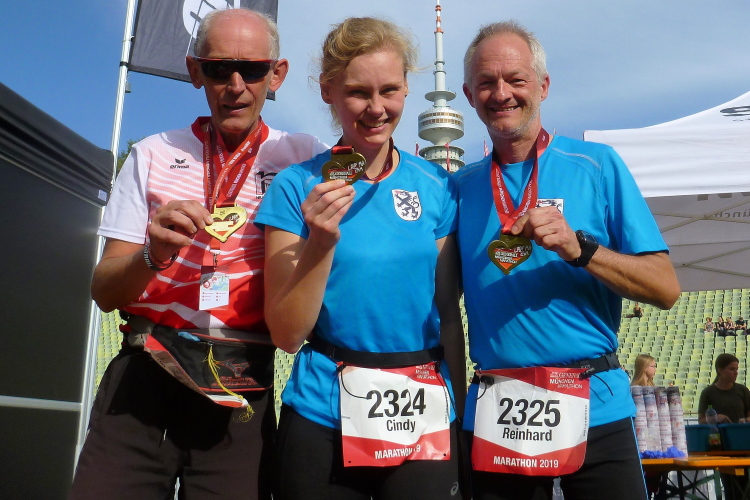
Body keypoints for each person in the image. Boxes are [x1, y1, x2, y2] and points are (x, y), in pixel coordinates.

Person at [69, 8, 326, 499]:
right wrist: (152, 255)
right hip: (148, 371)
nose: (236, 86)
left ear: (276, 74)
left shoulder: (303, 156)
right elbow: (104, 291)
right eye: (219, 68)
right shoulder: (152, 153)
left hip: (240, 378)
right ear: (194, 71)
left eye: (252, 69)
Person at [455, 21, 680, 500]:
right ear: (470, 95)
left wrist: (583, 250)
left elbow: (665, 288)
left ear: (543, 85)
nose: (502, 93)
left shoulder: (598, 165)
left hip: (595, 405)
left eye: (516, 79)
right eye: (487, 82)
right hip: (499, 412)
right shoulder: (458, 188)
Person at [255, 17, 465, 500]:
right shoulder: (296, 186)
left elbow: (448, 316)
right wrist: (320, 242)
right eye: (357, 93)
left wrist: (458, 417)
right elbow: (286, 334)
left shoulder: (437, 186)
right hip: (323, 412)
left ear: (407, 88)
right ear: (327, 91)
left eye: (389, 90)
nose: (376, 108)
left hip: (423, 412)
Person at [698, 353, 750, 499]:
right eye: (732, 369)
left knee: (745, 485)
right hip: (720, 445)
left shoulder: (742, 390)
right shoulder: (708, 392)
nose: (736, 372)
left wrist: (745, 420)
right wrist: (716, 418)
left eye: (736, 369)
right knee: (729, 485)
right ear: (720, 370)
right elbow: (701, 420)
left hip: (742, 444)